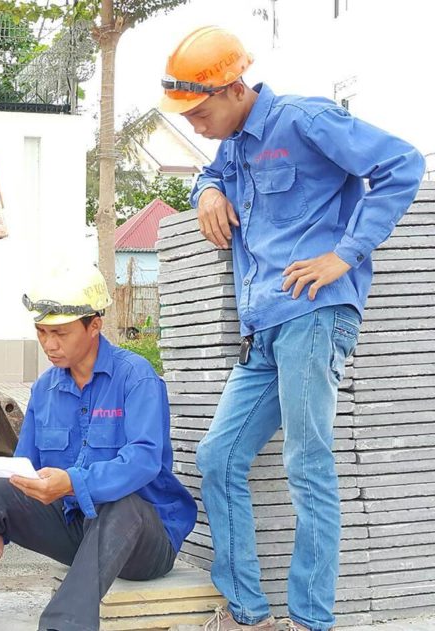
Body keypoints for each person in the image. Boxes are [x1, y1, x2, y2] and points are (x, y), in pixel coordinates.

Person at [160, 26, 425, 631]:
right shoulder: (232, 145)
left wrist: (345, 254)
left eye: (199, 112)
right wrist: (207, 191)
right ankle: (249, 615)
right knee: (218, 456)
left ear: (234, 88)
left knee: (307, 463)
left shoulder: (305, 120)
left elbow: (402, 164)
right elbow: (212, 174)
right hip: (262, 329)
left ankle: (310, 621)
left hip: (313, 314)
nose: (195, 126)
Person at [0, 263, 197, 631]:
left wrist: (73, 483)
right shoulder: (45, 389)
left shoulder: (136, 378)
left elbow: (143, 461)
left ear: (94, 325)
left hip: (142, 541)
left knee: (122, 503)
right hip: (78, 532)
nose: (49, 344)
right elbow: (23, 470)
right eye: (42, 332)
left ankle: (63, 625)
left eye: (60, 333)